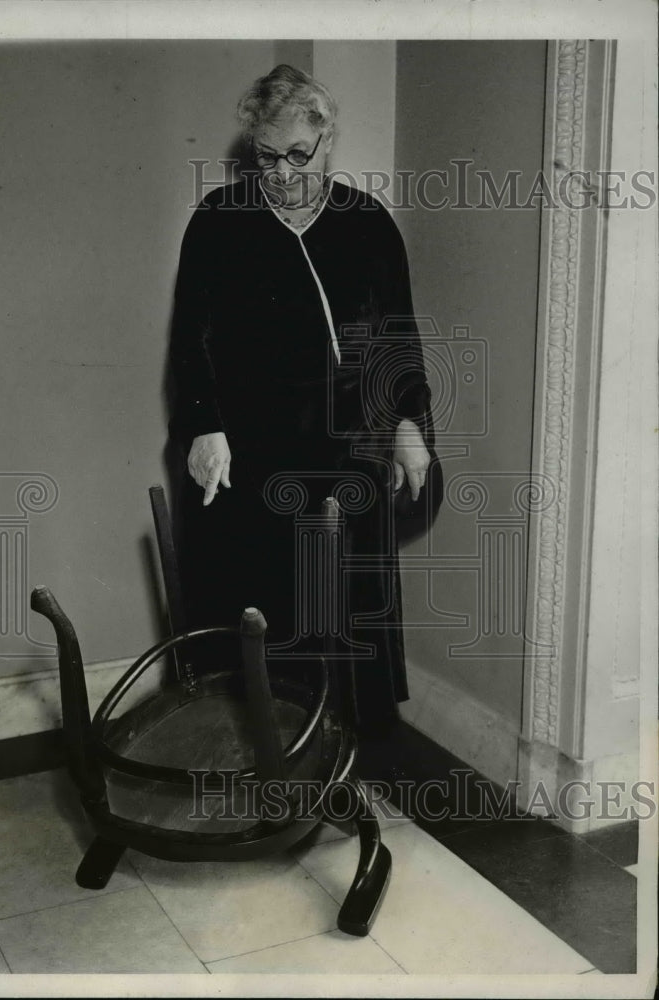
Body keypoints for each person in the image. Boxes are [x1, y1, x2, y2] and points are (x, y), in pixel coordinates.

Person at [169, 64, 442, 733]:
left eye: (299, 154)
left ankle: (346, 761)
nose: (282, 172)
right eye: (267, 157)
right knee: (271, 612)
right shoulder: (218, 221)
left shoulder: (367, 223)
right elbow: (190, 340)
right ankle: (276, 759)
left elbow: (396, 337)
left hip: (350, 450)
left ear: (329, 141)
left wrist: (408, 423)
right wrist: (204, 428)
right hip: (256, 456)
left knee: (348, 610)